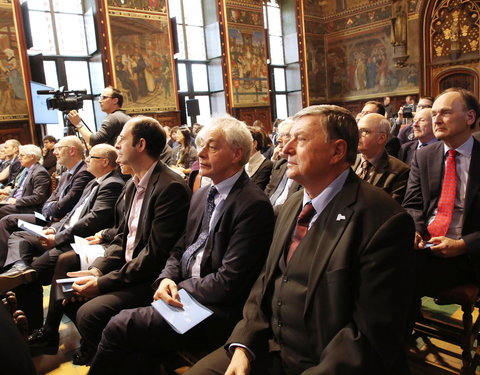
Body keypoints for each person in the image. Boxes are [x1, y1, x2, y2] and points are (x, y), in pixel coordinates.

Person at [187, 105, 415, 375]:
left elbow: (370, 332)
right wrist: (243, 345)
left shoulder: (383, 220)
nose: (285, 149)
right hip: (267, 347)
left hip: (324, 362)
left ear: (337, 151)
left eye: (301, 139)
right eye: (288, 139)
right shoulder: (294, 204)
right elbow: (265, 281)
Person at [88, 115, 275, 375]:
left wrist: (179, 288)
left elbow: (230, 281)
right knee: (129, 340)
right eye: (201, 145)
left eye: (212, 146)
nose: (201, 153)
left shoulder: (252, 204)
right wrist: (166, 279)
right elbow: (179, 248)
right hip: (184, 295)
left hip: (214, 308)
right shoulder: (202, 194)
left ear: (237, 154)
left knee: (120, 325)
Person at [54, 116, 191, 365]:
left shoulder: (169, 186)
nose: (116, 144)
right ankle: (118, 357)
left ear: (140, 145)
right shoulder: (132, 185)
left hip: (152, 279)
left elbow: (154, 255)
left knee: (89, 313)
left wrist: (103, 283)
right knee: (65, 294)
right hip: (127, 270)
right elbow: (121, 239)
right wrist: (97, 270)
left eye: (121, 139)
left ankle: (132, 361)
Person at [402, 88, 480, 309]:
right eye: (434, 113)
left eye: (444, 112)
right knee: (379, 262)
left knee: (396, 277)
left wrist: (463, 245)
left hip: (470, 251)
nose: (436, 119)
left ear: (470, 117)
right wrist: (416, 231)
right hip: (427, 244)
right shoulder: (424, 155)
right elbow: (412, 203)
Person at [0, 136, 94, 269]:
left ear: (72, 151)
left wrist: (50, 210)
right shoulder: (67, 173)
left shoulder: (84, 173)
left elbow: (63, 205)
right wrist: (50, 210)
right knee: (9, 223)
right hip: (49, 217)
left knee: (6, 216)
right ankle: (11, 269)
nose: (54, 152)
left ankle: (9, 270)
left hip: (60, 221)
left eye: (59, 149)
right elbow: (50, 200)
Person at [354, 113, 410, 203]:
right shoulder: (347, 162)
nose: (358, 135)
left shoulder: (400, 171)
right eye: (357, 131)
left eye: (364, 131)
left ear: (381, 138)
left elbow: (390, 208)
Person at [0, 144, 51, 219]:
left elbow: (38, 198)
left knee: (1, 210)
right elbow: (17, 189)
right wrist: (9, 199)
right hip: (19, 205)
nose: (19, 158)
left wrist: (16, 201)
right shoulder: (27, 169)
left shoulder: (40, 172)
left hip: (30, 209)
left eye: (22, 155)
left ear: (32, 157)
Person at [264, 118, 301, 208]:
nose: (278, 139)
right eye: (278, 135)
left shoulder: (304, 168)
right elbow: (267, 193)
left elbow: (293, 207)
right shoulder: (280, 164)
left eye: (284, 135)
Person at [246, 126, 273, 190]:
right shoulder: (243, 164)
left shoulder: (267, 165)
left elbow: (256, 191)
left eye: (244, 142)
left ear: (254, 143)